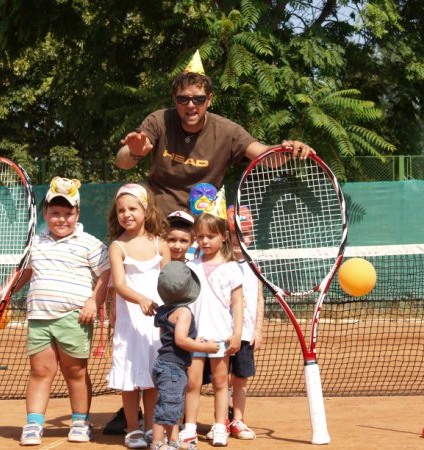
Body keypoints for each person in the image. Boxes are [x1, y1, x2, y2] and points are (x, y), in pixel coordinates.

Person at [0, 177, 111, 446]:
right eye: (55, 213)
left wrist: (93, 302)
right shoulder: (35, 243)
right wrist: (2, 293)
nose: (61, 219)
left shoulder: (91, 244)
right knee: (40, 371)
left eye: (67, 213)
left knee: (75, 372)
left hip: (74, 317)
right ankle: (33, 424)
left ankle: (80, 422)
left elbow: (106, 275)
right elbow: (23, 273)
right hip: (38, 317)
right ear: (45, 214)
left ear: (77, 214)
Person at [115, 49, 314, 215]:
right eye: (184, 99)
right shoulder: (159, 120)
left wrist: (287, 150)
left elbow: (265, 157)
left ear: (209, 100)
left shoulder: (227, 131)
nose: (191, 105)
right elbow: (121, 162)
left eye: (199, 99)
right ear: (175, 99)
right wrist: (135, 152)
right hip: (157, 220)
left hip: (203, 227)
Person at [106, 183, 171, 449]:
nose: (126, 214)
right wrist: (142, 299)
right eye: (121, 210)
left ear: (146, 210)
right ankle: (133, 429)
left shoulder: (161, 244)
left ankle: (151, 429)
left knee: (153, 379)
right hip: (129, 324)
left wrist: (172, 312)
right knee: (130, 380)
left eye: (133, 208)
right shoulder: (117, 247)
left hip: (156, 325)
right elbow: (120, 285)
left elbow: (168, 283)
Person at [178, 211, 244, 447]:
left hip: (221, 337)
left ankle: (220, 427)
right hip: (195, 338)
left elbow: (238, 304)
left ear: (223, 236)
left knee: (220, 383)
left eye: (210, 236)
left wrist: (237, 334)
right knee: (192, 383)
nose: (205, 241)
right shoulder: (190, 266)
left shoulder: (232, 268)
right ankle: (189, 428)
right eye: (200, 236)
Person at [150, 261, 220, 450]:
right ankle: (157, 443)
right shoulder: (184, 312)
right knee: (167, 406)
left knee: (172, 405)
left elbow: (170, 338)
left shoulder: (165, 310)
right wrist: (205, 347)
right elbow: (180, 340)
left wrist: (195, 340)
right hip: (172, 369)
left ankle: (173, 440)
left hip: (165, 366)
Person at [226, 205, 265, 440]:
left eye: (245, 233)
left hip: (245, 335)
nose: (238, 239)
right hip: (221, 333)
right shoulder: (219, 263)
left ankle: (238, 420)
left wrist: (257, 331)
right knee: (220, 380)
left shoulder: (254, 264)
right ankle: (221, 420)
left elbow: (259, 298)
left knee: (240, 380)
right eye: (233, 233)